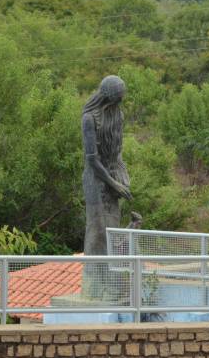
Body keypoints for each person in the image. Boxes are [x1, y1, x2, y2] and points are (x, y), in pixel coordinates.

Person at [82, 75, 132, 298]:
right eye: (118, 96)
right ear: (108, 95)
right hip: (95, 179)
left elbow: (118, 150)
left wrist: (122, 176)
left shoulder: (117, 114)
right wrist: (113, 184)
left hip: (112, 174)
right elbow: (92, 160)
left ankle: (111, 283)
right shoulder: (89, 119)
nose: (121, 100)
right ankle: (94, 287)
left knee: (112, 228)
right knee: (98, 230)